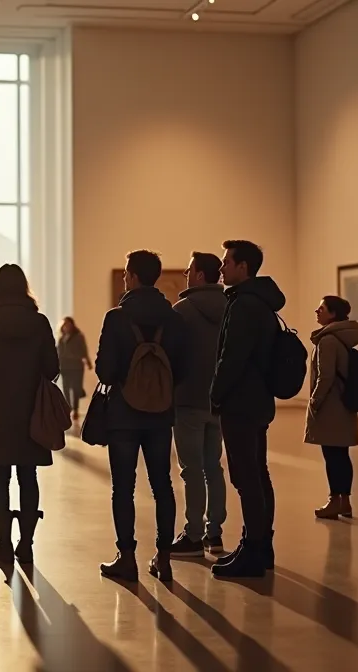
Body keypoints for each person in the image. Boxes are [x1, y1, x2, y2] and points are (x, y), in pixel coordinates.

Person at [95, 250, 188, 583]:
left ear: (132, 276)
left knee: (124, 487)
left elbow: (104, 370)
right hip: (160, 414)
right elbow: (182, 369)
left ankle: (127, 557)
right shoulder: (174, 319)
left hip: (123, 414)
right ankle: (163, 558)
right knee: (162, 485)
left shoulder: (116, 318)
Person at [0, 264, 60, 566]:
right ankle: (27, 545)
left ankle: (3, 544)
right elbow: (52, 368)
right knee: (28, 475)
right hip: (32, 408)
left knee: (0, 476)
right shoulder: (39, 322)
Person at [209, 240, 286, 579]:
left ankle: (254, 549)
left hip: (240, 402)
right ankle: (258, 545)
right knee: (258, 473)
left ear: (243, 267)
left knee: (246, 476)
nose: (222, 268)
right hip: (258, 400)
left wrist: (215, 393)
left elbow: (232, 357)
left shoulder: (244, 305)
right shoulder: (261, 302)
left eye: (227, 262)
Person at [167, 252, 228, 558]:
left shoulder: (182, 311)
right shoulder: (231, 307)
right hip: (219, 401)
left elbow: (171, 356)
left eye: (190, 269)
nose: (186, 274)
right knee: (213, 466)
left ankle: (192, 534)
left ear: (201, 275)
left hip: (188, 401)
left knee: (191, 469)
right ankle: (214, 533)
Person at [304, 296, 358, 519]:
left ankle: (334, 500)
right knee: (342, 455)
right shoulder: (343, 338)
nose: (316, 311)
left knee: (332, 456)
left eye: (321, 308)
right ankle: (344, 502)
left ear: (333, 314)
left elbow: (325, 376)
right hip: (343, 405)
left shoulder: (328, 341)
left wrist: (314, 401)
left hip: (330, 407)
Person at [57, 317, 92, 418]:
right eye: (64, 325)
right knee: (66, 388)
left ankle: (75, 410)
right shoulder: (61, 338)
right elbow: (58, 352)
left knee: (76, 388)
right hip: (64, 366)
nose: (66, 327)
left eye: (68, 324)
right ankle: (68, 408)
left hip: (76, 366)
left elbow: (83, 350)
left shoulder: (78, 337)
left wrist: (88, 362)